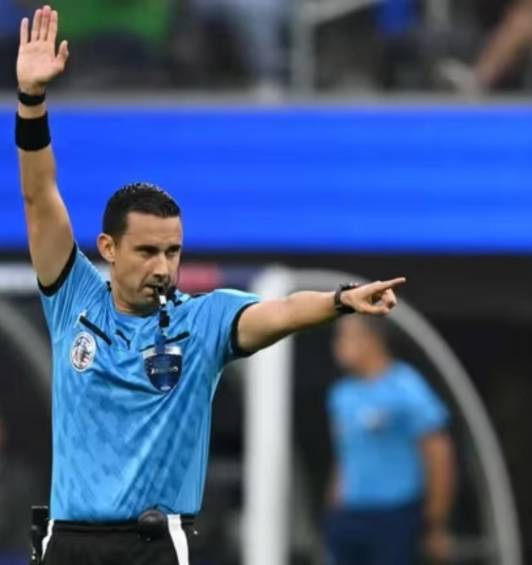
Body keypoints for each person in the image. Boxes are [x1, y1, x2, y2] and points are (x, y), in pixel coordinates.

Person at [14, 6, 406, 564]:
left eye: (173, 251)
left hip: (154, 544)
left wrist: (340, 300)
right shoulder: (72, 297)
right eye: (148, 250)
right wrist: (31, 101)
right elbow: (39, 197)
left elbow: (278, 312)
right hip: (70, 542)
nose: (163, 266)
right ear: (108, 249)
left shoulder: (204, 320)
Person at [325, 316, 455, 565]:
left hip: (394, 515)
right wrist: (333, 513)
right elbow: (344, 457)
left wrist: (436, 523)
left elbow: (439, 454)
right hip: (349, 515)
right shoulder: (341, 395)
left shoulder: (407, 387)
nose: (337, 345)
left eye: (345, 336)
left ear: (372, 340)